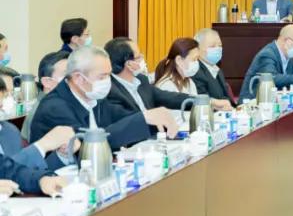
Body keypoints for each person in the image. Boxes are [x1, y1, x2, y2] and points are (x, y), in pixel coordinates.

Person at [31, 46, 174, 151]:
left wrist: (152, 119)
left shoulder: (93, 96)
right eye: (102, 76)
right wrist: (141, 119)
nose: (108, 81)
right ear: (79, 78)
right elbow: (89, 144)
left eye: (109, 75)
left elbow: (124, 117)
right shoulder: (54, 107)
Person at [103, 38, 212, 121]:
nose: (143, 58)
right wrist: (150, 117)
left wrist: (200, 100)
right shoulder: (111, 91)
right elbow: (126, 122)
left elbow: (169, 97)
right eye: (139, 57)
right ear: (129, 64)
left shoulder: (141, 81)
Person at [0, 78, 76, 171]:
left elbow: (26, 172)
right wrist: (41, 146)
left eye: (10, 93)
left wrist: (62, 155)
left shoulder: (9, 131)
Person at [239, 25, 293, 100]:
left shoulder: (288, 58)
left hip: (271, 100)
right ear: (286, 40)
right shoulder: (267, 54)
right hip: (252, 102)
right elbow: (272, 78)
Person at [192, 28, 236, 105]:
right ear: (197, 49)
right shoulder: (195, 72)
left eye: (220, 45)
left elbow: (226, 98)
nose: (217, 49)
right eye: (212, 46)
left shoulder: (216, 69)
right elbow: (203, 102)